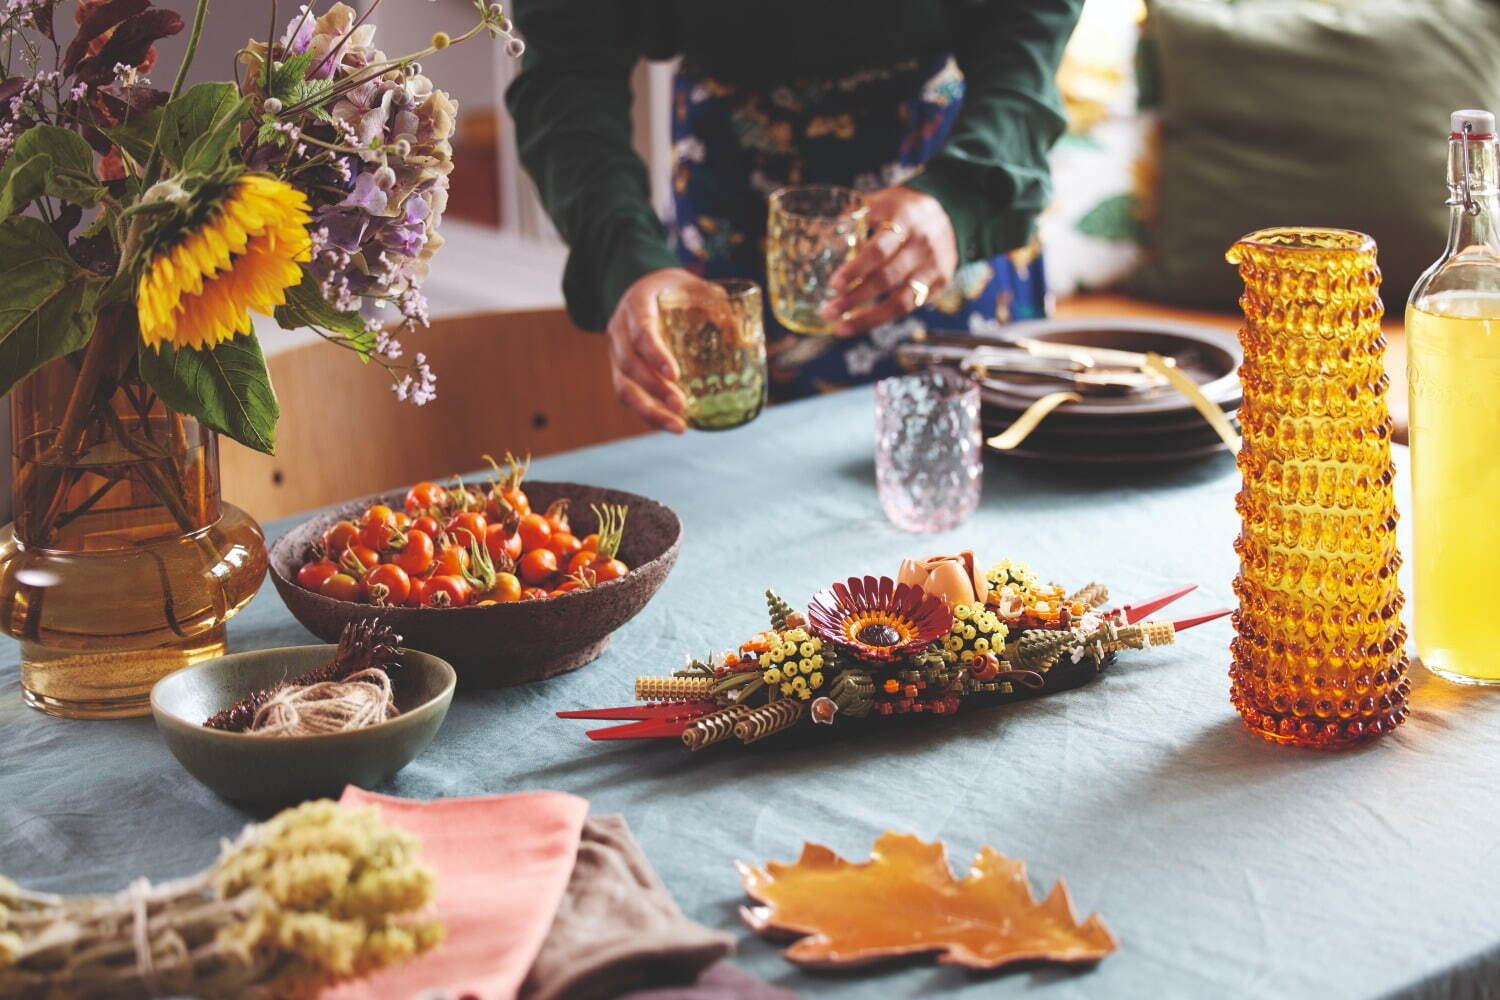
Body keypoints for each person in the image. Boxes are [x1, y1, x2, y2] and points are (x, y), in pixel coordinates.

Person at [507, 0, 1085, 433]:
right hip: (731, 186)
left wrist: (963, 193)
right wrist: (628, 259)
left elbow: (1030, 17)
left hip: (949, 172)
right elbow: (567, 68)